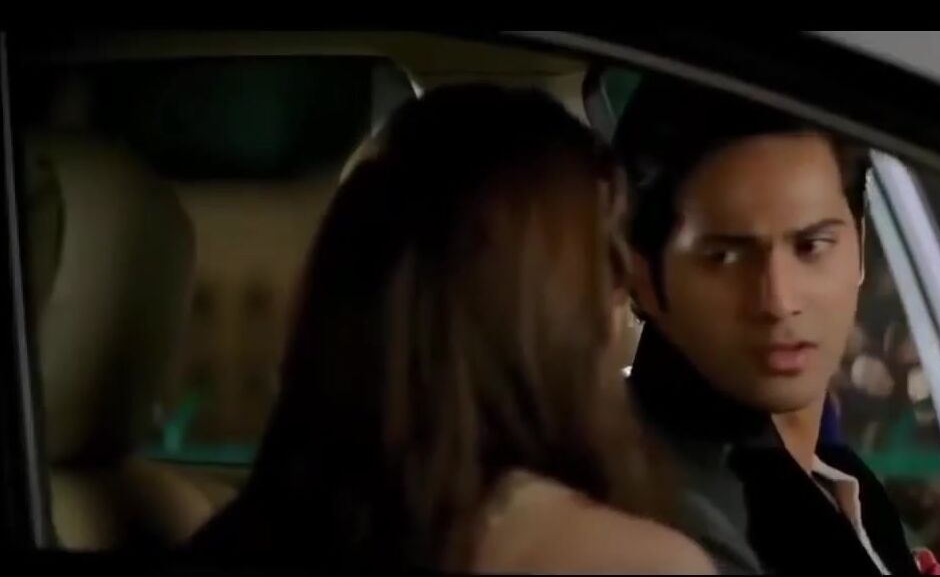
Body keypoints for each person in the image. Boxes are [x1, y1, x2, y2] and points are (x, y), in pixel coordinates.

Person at [188, 84, 715, 574]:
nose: (627, 299)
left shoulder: (231, 537)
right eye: (606, 260)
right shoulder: (635, 562)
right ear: (549, 309)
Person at [613, 74, 924, 575]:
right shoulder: (665, 524)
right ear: (644, 277)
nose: (779, 301)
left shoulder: (839, 479)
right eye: (725, 257)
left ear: (860, 245)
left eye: (811, 246)